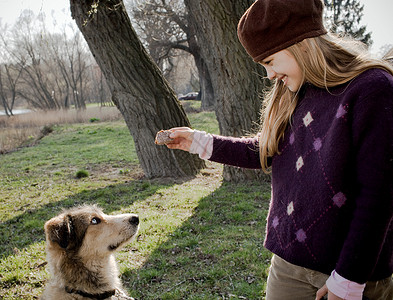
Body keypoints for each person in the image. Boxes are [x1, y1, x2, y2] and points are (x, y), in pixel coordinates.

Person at [165, 0, 393, 299]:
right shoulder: (295, 91)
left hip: (352, 274)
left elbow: (379, 194)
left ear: (299, 44)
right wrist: (199, 141)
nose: (270, 75)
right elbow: (265, 149)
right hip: (287, 266)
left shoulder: (373, 89)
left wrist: (348, 279)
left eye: (270, 61)